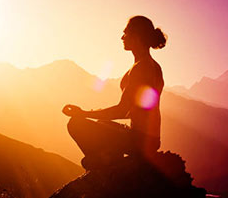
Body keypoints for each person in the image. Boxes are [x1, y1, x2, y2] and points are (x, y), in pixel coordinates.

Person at [62, 15, 167, 170]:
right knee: (101, 123)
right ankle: (107, 158)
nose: (122, 37)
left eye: (125, 33)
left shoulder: (140, 68)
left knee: (76, 124)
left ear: (136, 36)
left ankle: (104, 164)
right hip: (151, 139)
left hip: (138, 140)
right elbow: (135, 110)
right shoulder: (154, 67)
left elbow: (122, 110)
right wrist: (93, 114)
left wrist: (83, 113)